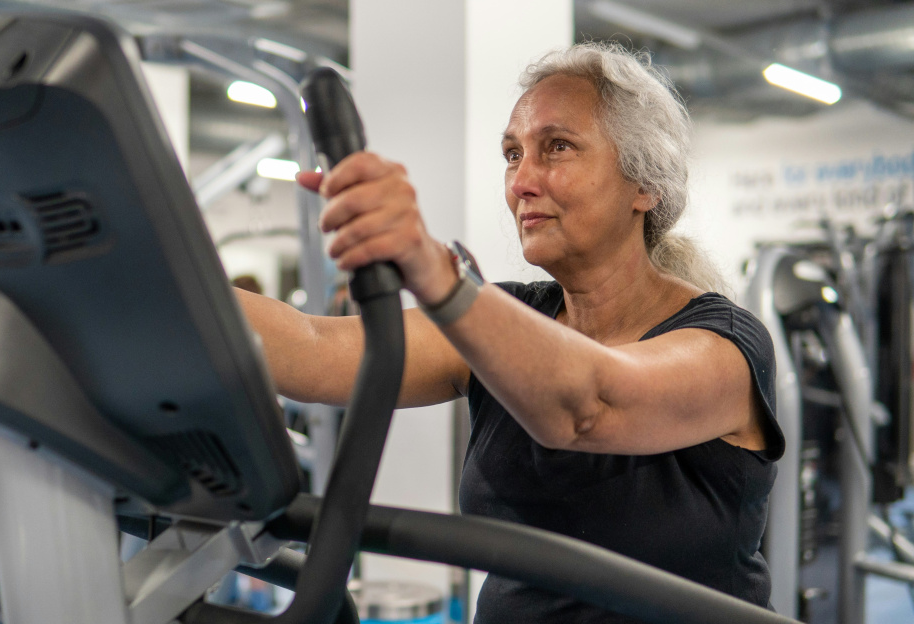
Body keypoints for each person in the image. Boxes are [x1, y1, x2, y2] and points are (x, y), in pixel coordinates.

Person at [234, 42, 784, 623]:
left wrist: (432, 267)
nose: (522, 181)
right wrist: (152, 273)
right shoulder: (508, 320)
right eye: (512, 153)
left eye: (558, 147)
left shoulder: (725, 345)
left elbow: (589, 404)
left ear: (643, 185)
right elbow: (313, 349)